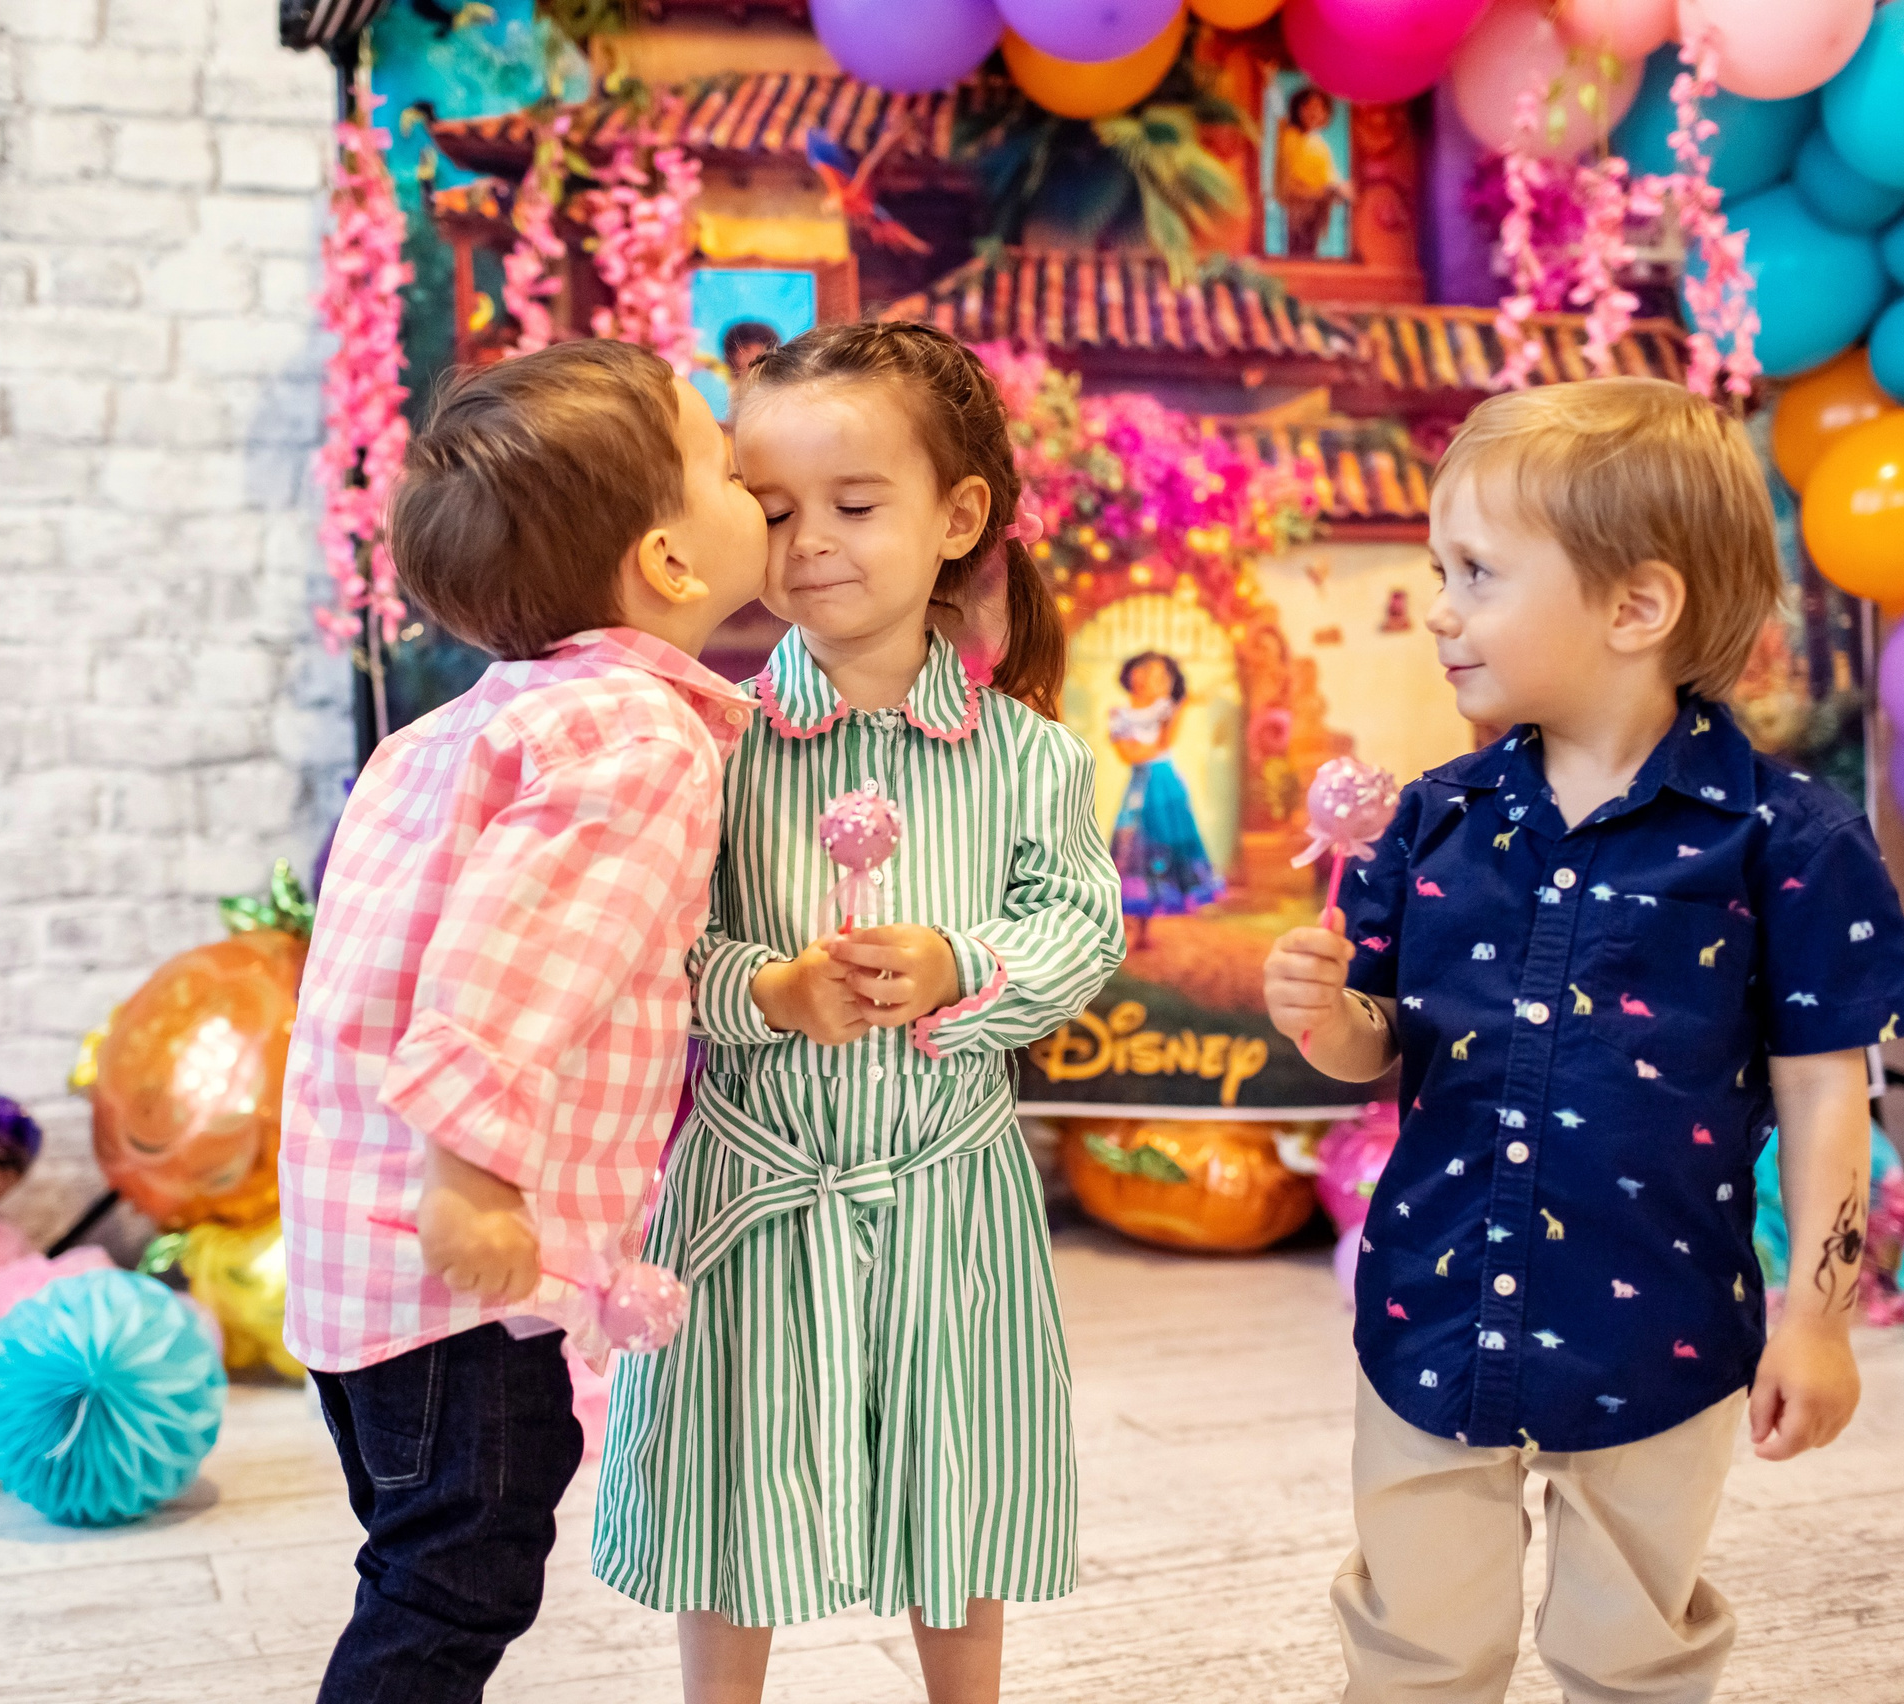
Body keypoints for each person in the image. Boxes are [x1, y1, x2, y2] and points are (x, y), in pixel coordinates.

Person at [1263, 377, 1904, 1704]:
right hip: (1433, 1306)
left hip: (1659, 1331)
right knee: (1415, 1643)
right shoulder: (1434, 821)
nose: (1441, 611)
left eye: (1478, 574)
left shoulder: (1784, 844)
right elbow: (1379, 1044)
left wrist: (1821, 1318)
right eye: (1437, 570)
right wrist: (1330, 1018)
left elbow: (1821, 1098)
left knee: (1632, 1648)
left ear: (1636, 607)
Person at [591, 321, 1126, 1704]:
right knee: (734, 1480)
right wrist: (769, 989)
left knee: (959, 1476)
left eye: (854, 503)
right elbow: (653, 952)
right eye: (771, 511)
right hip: (759, 1187)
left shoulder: (1030, 759)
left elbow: (1081, 926)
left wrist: (960, 965)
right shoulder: (703, 742)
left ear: (960, 518)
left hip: (951, 1193)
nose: (808, 541)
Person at [279, 338, 769, 1704]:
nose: (763, 494)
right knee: (456, 1580)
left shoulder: (457, 731)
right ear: (669, 562)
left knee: (421, 1555)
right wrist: (474, 1176)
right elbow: (506, 968)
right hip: (458, 1272)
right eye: (729, 467)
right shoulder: (634, 741)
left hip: (350, 1258)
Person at [1108, 649, 1226, 946]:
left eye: (1162, 676)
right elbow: (1129, 755)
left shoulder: (1165, 711)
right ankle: (1135, 923)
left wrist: (1164, 727)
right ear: (1131, 672)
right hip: (1139, 790)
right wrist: (1151, 744)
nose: (1151, 679)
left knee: (1171, 848)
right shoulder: (1119, 714)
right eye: (1145, 671)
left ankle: (1164, 914)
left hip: (1167, 787)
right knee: (1134, 851)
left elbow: (1159, 744)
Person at [1274, 83, 1352, 260]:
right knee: (1298, 249)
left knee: (1310, 248)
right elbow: (1278, 114)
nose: (1313, 113)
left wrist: (1340, 188)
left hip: (1316, 205)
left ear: (1325, 114)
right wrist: (1272, 84)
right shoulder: (1291, 136)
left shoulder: (1320, 145)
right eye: (1308, 107)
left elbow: (1329, 174)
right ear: (1298, 109)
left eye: (1318, 108)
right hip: (1298, 204)